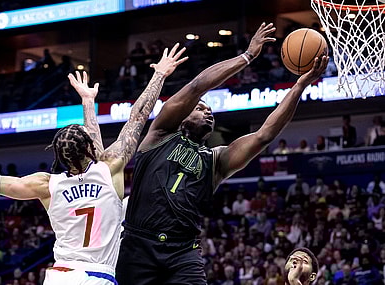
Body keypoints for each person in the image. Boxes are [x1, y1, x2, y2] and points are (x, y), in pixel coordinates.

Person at [116, 22, 328, 285]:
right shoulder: (160, 134)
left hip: (183, 252)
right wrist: (247, 56)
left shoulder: (215, 160)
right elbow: (196, 87)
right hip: (139, 244)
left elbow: (264, 135)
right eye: (201, 109)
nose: (208, 112)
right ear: (182, 118)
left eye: (210, 112)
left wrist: (299, 86)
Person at [0, 44, 187, 285]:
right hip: (97, 276)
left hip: (60, 275)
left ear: (59, 155)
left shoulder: (46, 184)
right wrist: (159, 74)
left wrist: (88, 102)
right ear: (90, 149)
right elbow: (138, 116)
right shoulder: (110, 167)